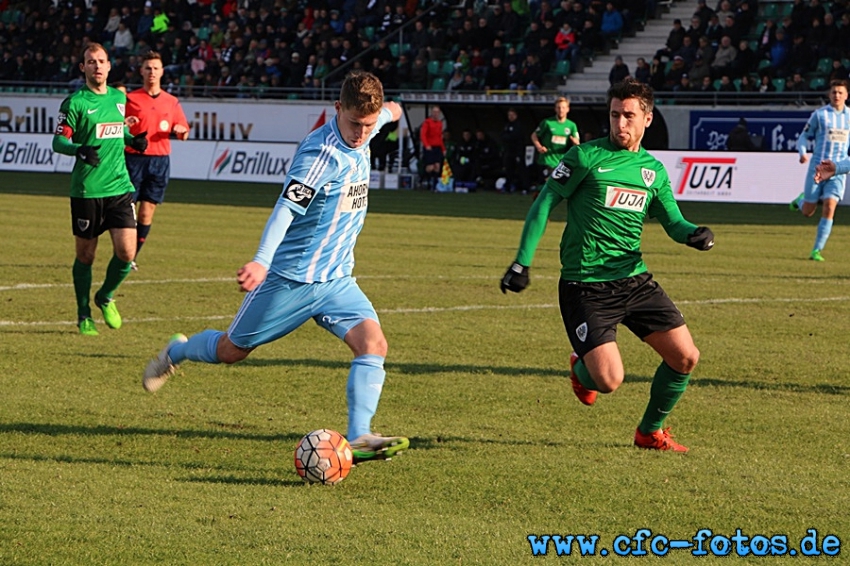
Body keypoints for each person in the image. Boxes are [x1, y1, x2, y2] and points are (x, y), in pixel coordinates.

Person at [142, 71, 408, 464]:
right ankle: (177, 352)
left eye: (368, 126)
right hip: (291, 279)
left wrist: (392, 112)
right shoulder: (319, 155)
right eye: (354, 123)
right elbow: (286, 208)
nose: (360, 133)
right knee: (232, 350)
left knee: (374, 345)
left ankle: (360, 436)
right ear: (337, 109)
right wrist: (262, 261)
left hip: (336, 279)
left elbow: (387, 112)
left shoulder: (370, 124)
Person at [500, 79, 715, 452]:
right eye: (615, 115)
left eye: (629, 116)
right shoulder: (584, 157)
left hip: (634, 279)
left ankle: (649, 432)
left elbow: (673, 223)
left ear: (647, 119)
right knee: (610, 380)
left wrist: (693, 233)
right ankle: (581, 368)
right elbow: (545, 203)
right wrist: (522, 263)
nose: (620, 124)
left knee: (685, 357)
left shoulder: (653, 171)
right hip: (585, 285)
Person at [52, 43, 149, 336]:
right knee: (86, 256)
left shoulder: (118, 98)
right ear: (83, 68)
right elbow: (58, 142)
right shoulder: (74, 103)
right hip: (87, 191)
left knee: (127, 251)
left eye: (101, 61)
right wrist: (79, 150)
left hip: (119, 187)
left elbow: (116, 130)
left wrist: (133, 139)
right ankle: (84, 314)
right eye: (91, 62)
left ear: (109, 66)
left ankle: (105, 296)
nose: (97, 66)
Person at [125, 51, 190, 271]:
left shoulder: (171, 102)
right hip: (133, 159)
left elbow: (184, 130)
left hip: (159, 161)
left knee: (146, 212)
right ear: (141, 71)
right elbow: (117, 125)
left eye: (155, 68)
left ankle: (131, 256)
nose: (152, 72)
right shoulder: (131, 99)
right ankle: (124, 252)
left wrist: (181, 131)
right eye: (148, 68)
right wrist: (124, 124)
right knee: (127, 211)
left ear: (162, 72)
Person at [790, 79, 850, 261]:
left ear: (847, 95)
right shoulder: (820, 115)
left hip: (838, 171)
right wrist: (802, 152)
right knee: (808, 211)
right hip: (817, 169)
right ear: (829, 95)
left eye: (840, 92)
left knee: (830, 207)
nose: (837, 95)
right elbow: (804, 136)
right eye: (834, 92)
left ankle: (816, 250)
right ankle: (801, 201)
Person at [530, 97, 580, 191]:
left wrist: (575, 143)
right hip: (546, 160)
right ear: (555, 109)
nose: (561, 110)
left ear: (568, 109)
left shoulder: (571, 125)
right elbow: (534, 135)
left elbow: (577, 143)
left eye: (563, 107)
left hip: (561, 162)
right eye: (558, 107)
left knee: (556, 189)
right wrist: (539, 147)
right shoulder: (547, 122)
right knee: (545, 187)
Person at [420, 105, 445, 191]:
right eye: (434, 112)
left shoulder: (440, 123)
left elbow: (439, 137)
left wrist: (443, 148)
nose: (435, 114)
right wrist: (426, 145)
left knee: (437, 167)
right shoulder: (427, 122)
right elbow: (423, 135)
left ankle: (434, 186)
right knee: (430, 167)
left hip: (437, 147)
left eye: (437, 112)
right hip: (429, 147)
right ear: (431, 113)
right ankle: (422, 180)